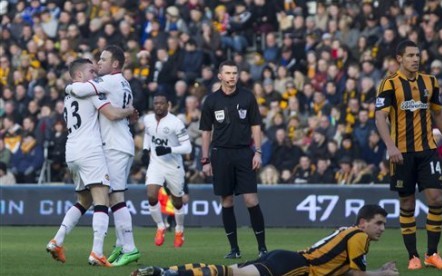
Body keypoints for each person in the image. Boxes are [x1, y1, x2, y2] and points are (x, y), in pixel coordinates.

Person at [375, 40, 442, 270]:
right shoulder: (389, 84)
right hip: (401, 154)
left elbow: (438, 114)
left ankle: (432, 254)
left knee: (436, 199)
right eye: (410, 55)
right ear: (399, 58)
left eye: (418, 55)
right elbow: (379, 117)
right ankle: (413, 255)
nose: (415, 59)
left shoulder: (429, 82)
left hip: (428, 151)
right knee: (407, 204)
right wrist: (390, 146)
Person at [131, 204, 399, 276]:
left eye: (384, 224)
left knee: (231, 272)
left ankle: (166, 272)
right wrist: (383, 273)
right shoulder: (358, 237)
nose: (382, 228)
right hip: (294, 266)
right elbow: (357, 274)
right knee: (232, 274)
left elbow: (345, 271)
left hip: (286, 258)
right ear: (363, 223)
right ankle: (167, 274)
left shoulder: (346, 232)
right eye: (378, 223)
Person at [46, 58, 134, 266]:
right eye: (91, 71)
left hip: (72, 151)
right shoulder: (89, 91)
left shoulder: (69, 96)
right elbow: (112, 114)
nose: (95, 75)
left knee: (84, 200)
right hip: (90, 151)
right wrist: (129, 110)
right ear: (79, 75)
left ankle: (57, 240)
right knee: (102, 199)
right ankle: (97, 252)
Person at [199, 60, 267, 258]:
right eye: (228, 73)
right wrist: (205, 159)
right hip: (220, 154)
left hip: (244, 153)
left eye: (235, 73)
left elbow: (256, 126)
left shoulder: (247, 97)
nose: (232, 76)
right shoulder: (211, 101)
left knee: (251, 199)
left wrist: (258, 151)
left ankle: (262, 248)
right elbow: (205, 131)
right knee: (227, 201)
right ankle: (234, 249)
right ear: (220, 76)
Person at [141, 92, 192, 247]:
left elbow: (187, 147)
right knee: (151, 195)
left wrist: (169, 149)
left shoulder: (176, 123)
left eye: (162, 103)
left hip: (173, 166)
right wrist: (145, 148)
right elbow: (148, 134)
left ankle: (179, 229)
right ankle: (160, 226)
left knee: (177, 202)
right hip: (156, 164)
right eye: (156, 103)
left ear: (168, 105)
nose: (158, 106)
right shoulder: (148, 119)